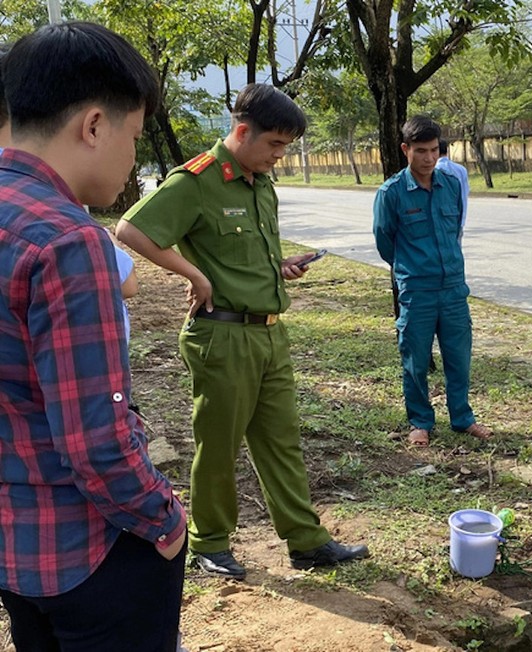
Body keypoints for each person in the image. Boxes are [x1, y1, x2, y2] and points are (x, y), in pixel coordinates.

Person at [116, 83, 368, 580]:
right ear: (242, 131)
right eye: (274, 144)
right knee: (219, 444)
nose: (280, 155)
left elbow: (248, 254)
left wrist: (280, 267)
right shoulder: (197, 181)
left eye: (285, 147)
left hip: (270, 333)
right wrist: (194, 274)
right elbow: (130, 230)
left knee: (281, 440)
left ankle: (306, 541)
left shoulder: (259, 182)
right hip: (222, 336)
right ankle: (209, 542)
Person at [0, 21, 187, 651]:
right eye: (134, 138)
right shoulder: (69, 241)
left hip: (14, 547)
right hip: (89, 549)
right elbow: (96, 444)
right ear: (95, 126)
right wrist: (164, 518)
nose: (133, 157)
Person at [373, 116, 492, 447]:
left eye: (434, 151)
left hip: (454, 289)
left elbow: (455, 231)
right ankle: (420, 421)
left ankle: (462, 418)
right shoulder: (392, 193)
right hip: (418, 291)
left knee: (459, 357)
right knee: (415, 359)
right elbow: (385, 242)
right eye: (421, 151)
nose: (428, 158)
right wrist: (412, 269)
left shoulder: (451, 185)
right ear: (405, 150)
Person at [435, 138, 470, 233]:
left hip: (440, 223)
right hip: (458, 220)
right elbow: (465, 193)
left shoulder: (435, 170)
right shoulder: (461, 170)